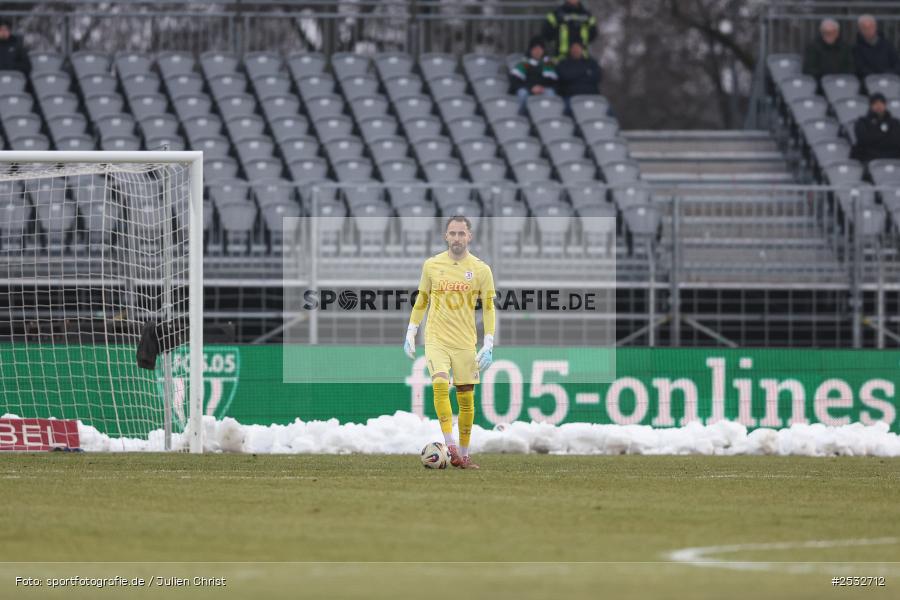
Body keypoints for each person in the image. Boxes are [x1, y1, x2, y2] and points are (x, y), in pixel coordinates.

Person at [404, 216, 496, 470]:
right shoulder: (432, 265)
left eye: (461, 233)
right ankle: (450, 445)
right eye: (452, 233)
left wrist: (489, 343)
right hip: (436, 339)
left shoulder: (481, 270)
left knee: (466, 400)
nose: (457, 238)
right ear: (446, 236)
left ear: (470, 236)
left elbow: (489, 308)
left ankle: (463, 456)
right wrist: (411, 331)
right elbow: (421, 299)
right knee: (440, 385)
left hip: (466, 343)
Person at [509, 38, 558, 115]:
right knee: (522, 93)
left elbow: (553, 82)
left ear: (543, 51)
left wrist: (542, 88)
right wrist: (531, 88)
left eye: (540, 49)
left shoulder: (548, 64)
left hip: (542, 89)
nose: (537, 51)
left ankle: (548, 116)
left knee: (550, 93)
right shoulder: (524, 63)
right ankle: (522, 116)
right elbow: (515, 82)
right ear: (530, 50)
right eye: (535, 49)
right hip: (527, 89)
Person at [851, 93, 900, 163]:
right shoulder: (862, 122)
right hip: (869, 158)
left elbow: (896, 140)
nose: (879, 106)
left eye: (881, 103)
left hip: (893, 157)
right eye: (875, 103)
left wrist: (875, 135)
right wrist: (885, 134)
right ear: (871, 106)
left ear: (885, 105)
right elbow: (863, 140)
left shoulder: (894, 122)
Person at [853, 14, 900, 79]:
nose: (868, 30)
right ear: (860, 29)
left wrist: (889, 74)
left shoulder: (887, 45)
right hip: (867, 82)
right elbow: (860, 68)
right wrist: (875, 77)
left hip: (889, 80)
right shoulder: (856, 48)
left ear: (875, 27)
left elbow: (897, 63)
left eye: (871, 26)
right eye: (864, 28)